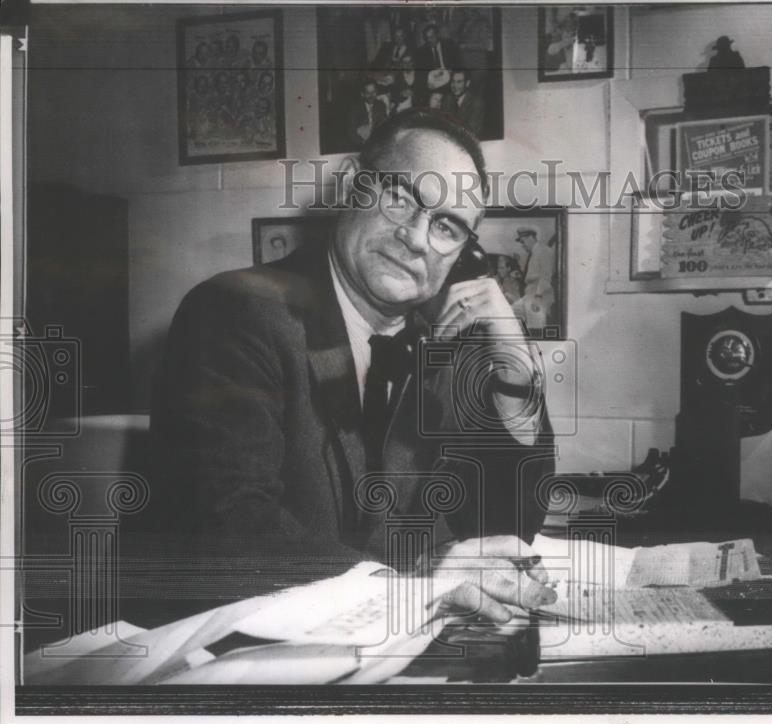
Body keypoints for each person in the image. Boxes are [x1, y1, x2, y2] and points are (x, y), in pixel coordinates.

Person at [149, 109, 556, 624]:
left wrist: (516, 372)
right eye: (401, 197)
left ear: (462, 255)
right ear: (350, 185)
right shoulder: (235, 311)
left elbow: (507, 527)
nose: (415, 237)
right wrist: (410, 590)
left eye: (447, 226)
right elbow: (228, 526)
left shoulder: (449, 350)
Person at [511, 227, 556, 332]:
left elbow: (546, 276)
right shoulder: (534, 253)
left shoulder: (544, 251)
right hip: (529, 294)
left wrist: (538, 296)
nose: (522, 245)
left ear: (531, 237)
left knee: (536, 327)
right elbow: (533, 274)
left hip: (539, 294)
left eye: (523, 241)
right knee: (511, 312)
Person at [444, 69, 485, 137]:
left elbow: (471, 133)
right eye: (453, 81)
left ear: (467, 83)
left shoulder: (477, 103)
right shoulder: (447, 99)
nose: (455, 86)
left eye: (459, 82)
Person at [348, 80, 388, 147]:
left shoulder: (381, 105)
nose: (371, 95)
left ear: (377, 92)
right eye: (368, 93)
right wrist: (362, 142)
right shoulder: (356, 108)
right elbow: (351, 131)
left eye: (373, 92)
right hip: (360, 144)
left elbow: (383, 126)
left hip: (376, 143)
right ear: (362, 94)